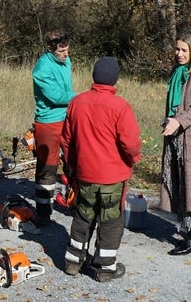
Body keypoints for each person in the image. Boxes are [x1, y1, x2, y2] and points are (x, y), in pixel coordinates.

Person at [61, 57, 142, 282]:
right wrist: (134, 158)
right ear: (115, 79)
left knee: (83, 215)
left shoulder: (77, 102)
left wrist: (73, 166)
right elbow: (131, 143)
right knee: (110, 221)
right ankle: (105, 269)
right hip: (112, 178)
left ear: (94, 76)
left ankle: (72, 262)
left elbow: (66, 140)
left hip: (85, 175)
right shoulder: (120, 106)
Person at [160, 28, 191, 255]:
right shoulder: (179, 71)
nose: (178, 53)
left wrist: (179, 121)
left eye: (183, 50)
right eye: (177, 49)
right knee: (182, 184)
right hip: (176, 136)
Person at [31, 30, 76, 226]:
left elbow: (66, 90)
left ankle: (74, 205)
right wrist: (78, 99)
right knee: (47, 168)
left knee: (73, 164)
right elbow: (56, 96)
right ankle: (43, 212)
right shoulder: (42, 68)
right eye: (61, 51)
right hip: (48, 121)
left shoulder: (67, 61)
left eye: (67, 49)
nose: (65, 54)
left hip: (67, 119)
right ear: (51, 49)